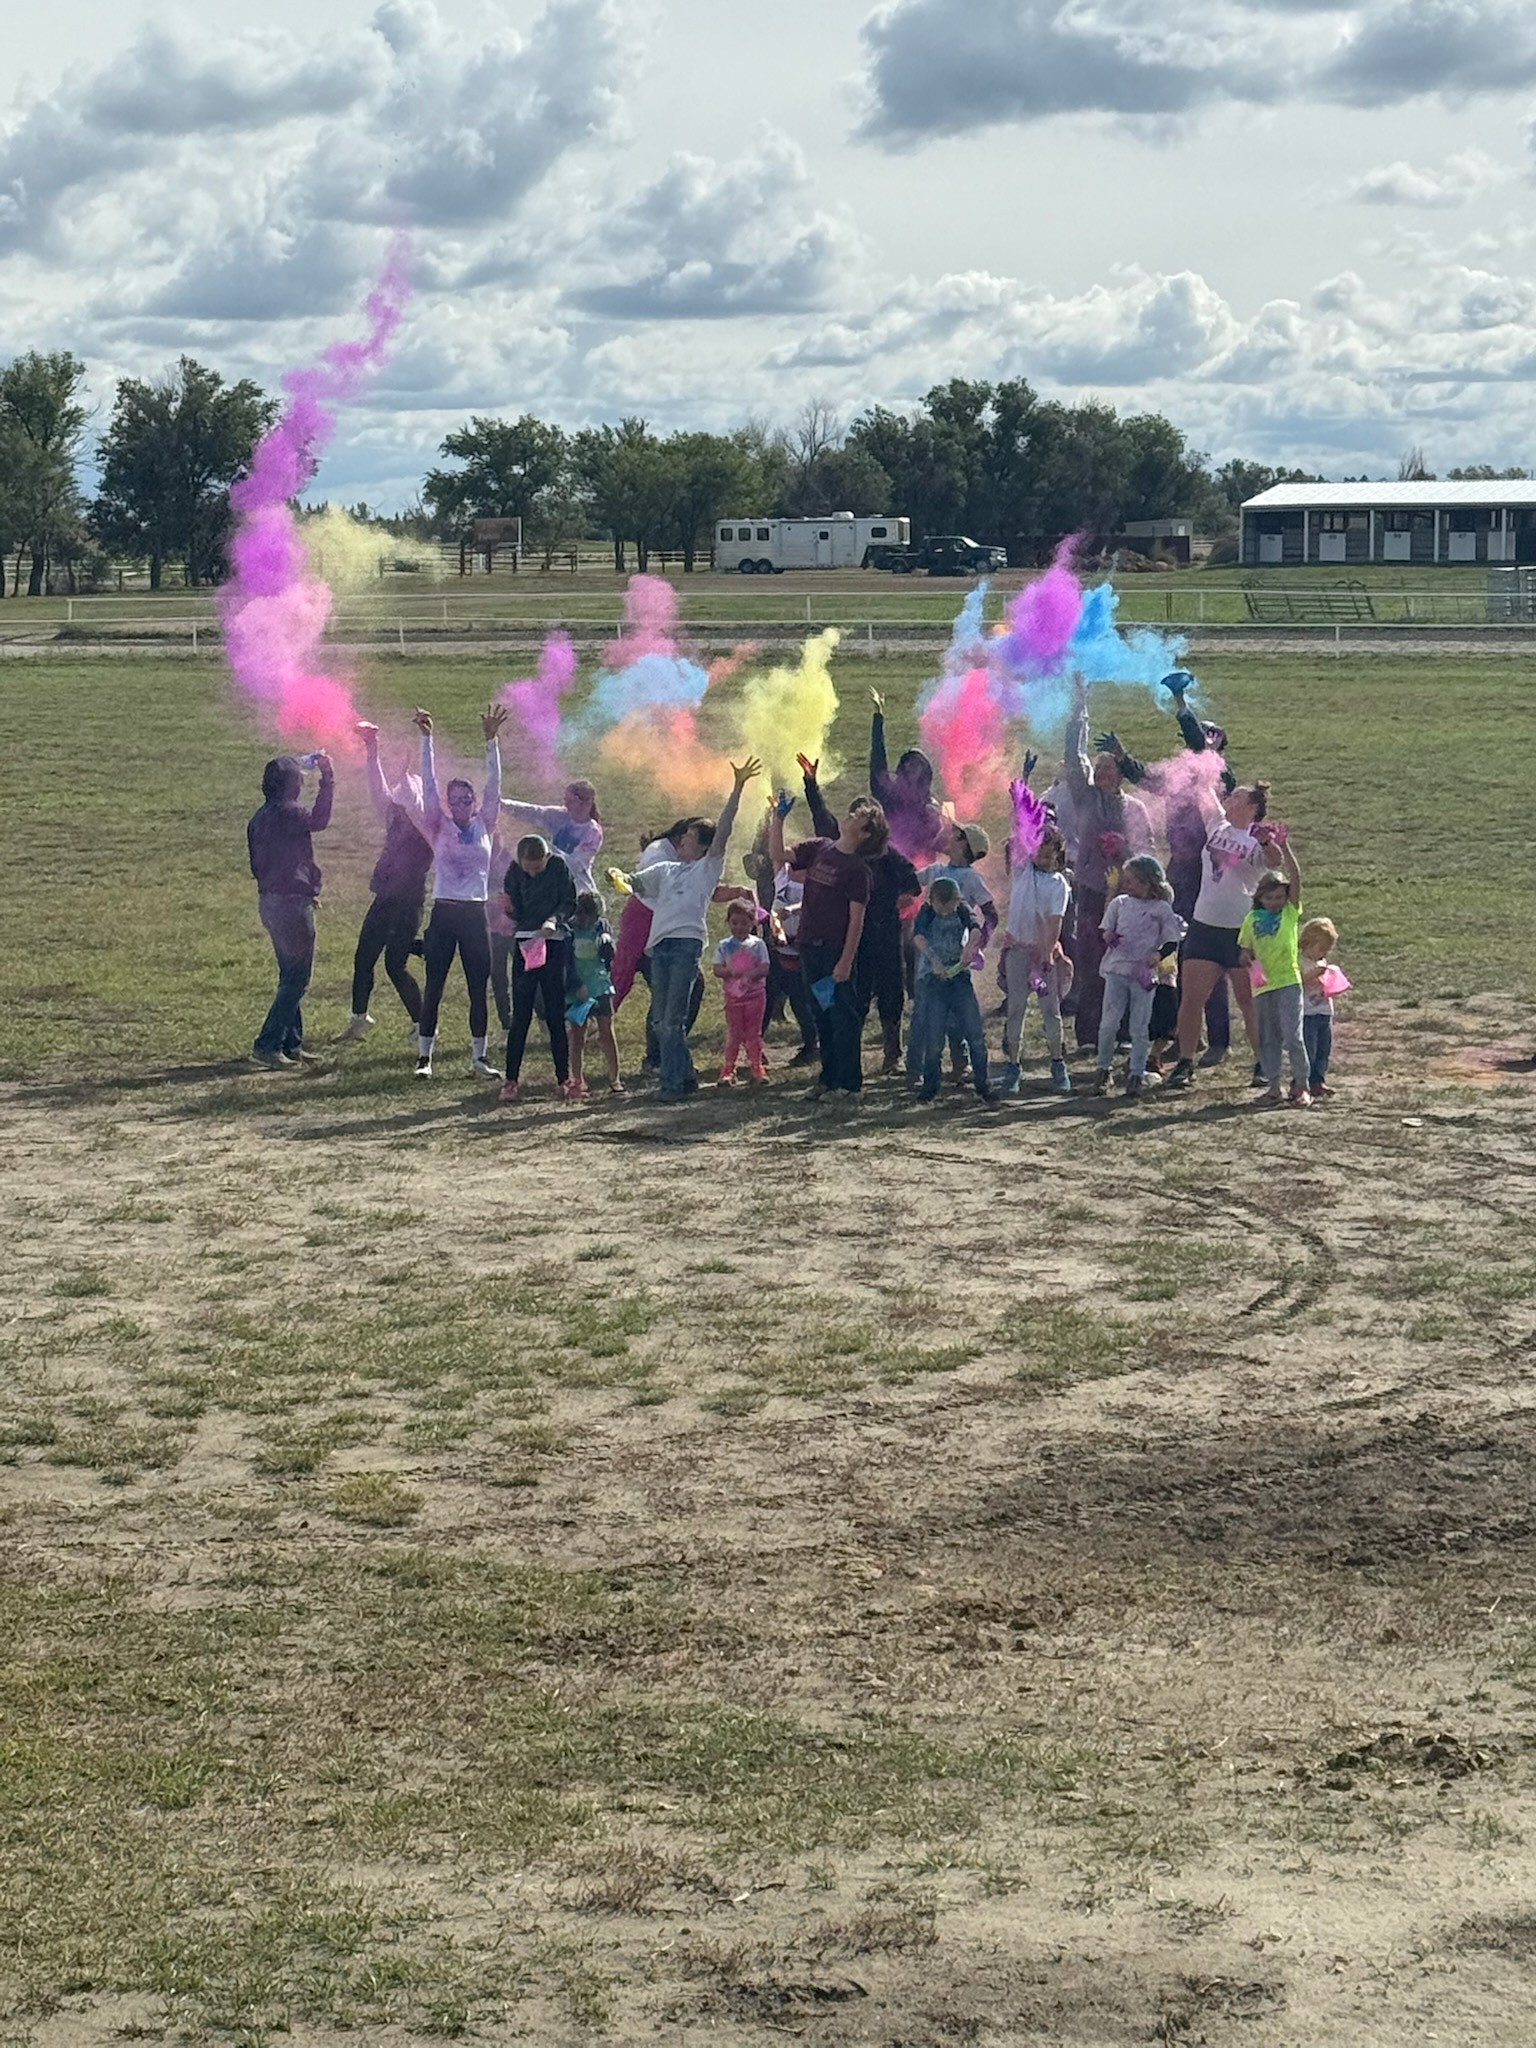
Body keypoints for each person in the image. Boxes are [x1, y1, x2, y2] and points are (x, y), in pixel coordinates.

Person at [1100, 671, 1235, 1066]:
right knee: (1177, 959)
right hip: (1180, 872)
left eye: (1206, 740)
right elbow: (1146, 777)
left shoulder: (1221, 778)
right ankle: (1179, 1034)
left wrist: (1179, 701)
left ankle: (1219, 1041)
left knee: (1209, 958)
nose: (1194, 748)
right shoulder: (1181, 784)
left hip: (1208, 876)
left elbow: (1197, 746)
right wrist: (1123, 759)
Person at [618, 758, 761, 1102]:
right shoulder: (666, 868)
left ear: (702, 848)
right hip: (660, 947)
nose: (681, 839)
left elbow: (723, 830)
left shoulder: (706, 869)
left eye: (690, 838)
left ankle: (671, 1084)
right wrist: (619, 878)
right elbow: (636, 884)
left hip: (685, 946)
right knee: (663, 1022)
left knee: (670, 1021)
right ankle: (685, 1077)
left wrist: (737, 787)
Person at [403, 705, 506, 1081]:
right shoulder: (438, 825)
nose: (461, 805)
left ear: (475, 802)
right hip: (444, 914)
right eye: (455, 800)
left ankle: (479, 1058)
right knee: (435, 985)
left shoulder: (486, 823)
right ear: (448, 804)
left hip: (475, 913)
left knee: (479, 985)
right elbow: (429, 784)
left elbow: (496, 785)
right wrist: (426, 737)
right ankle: (424, 1057)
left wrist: (491, 741)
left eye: (467, 799)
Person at [801, 754, 921, 1073]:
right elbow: (823, 819)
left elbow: (912, 883)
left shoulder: (888, 856)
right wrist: (811, 784)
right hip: (850, 935)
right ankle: (844, 1058)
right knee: (852, 997)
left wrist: (896, 904)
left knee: (891, 991)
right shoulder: (841, 850)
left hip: (884, 932)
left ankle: (892, 1052)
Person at [1164, 781, 1277, 1091]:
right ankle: (1185, 1063)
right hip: (1204, 926)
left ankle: (1263, 1064)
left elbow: (1275, 862)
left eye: (1237, 796)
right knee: (1191, 999)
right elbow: (1204, 787)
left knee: (1248, 1001)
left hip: (1240, 933)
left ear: (1252, 807)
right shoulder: (1217, 823)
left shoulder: (1256, 841)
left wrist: (1267, 842)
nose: (1230, 798)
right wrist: (1200, 756)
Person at [769, 794, 881, 1099]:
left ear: (866, 833)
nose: (850, 815)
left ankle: (849, 1083)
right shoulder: (821, 848)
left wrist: (845, 961)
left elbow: (856, 921)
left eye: (859, 816)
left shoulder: (857, 871)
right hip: (810, 947)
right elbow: (778, 853)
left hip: (834, 951)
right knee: (821, 1013)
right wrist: (777, 818)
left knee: (841, 1015)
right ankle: (828, 1079)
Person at [1063, 678, 1153, 1054]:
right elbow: (1073, 758)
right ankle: (1087, 1033)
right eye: (1098, 774)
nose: (1102, 778)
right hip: (1092, 888)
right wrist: (1079, 708)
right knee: (1090, 959)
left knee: (1124, 961)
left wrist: (1125, 848)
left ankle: (1122, 1032)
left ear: (1119, 777)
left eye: (1109, 773)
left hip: (1128, 895)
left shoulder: (1135, 808)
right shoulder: (1085, 798)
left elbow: (1148, 854)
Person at [340, 725, 432, 1042]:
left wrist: (406, 771)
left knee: (395, 965)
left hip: (408, 903)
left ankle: (423, 1024)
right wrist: (372, 747)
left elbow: (408, 797)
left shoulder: (424, 824)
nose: (395, 806)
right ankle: (359, 1018)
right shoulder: (394, 814)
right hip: (385, 898)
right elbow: (377, 786)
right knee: (363, 957)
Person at [246, 749, 333, 1068]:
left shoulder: (258, 817)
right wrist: (328, 780)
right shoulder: (290, 812)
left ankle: (291, 1043)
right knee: (297, 979)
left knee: (289, 975)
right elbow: (320, 820)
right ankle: (267, 1045)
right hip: (291, 904)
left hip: (269, 901)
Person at [1094, 855, 1185, 1103]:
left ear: (1147, 882)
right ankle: (1103, 1068)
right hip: (1117, 969)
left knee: (1140, 1025)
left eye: (1133, 881)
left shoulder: (1161, 909)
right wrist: (1108, 937)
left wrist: (1157, 955)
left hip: (1144, 973)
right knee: (1109, 1023)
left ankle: (1136, 1072)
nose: (1127, 885)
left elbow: (1172, 939)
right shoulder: (1120, 903)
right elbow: (1105, 928)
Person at [914, 821, 997, 1083]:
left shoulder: (972, 878)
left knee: (954, 1014)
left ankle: (960, 1064)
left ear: (964, 844)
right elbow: (909, 881)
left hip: (955, 960)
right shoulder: (936, 870)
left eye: (955, 835)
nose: (948, 836)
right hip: (929, 958)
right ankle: (920, 1069)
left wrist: (977, 944)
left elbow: (991, 914)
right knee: (925, 1011)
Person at [498, 834, 579, 1101]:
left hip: (553, 943)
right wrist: (510, 910)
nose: (533, 872)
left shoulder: (558, 868)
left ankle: (563, 1078)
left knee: (555, 1011)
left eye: (537, 867)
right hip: (526, 944)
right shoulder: (513, 873)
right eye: (528, 868)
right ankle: (510, 1080)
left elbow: (569, 901)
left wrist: (553, 920)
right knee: (521, 1014)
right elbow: (518, 912)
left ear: (546, 858)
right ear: (520, 862)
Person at [1000, 825, 1073, 1097]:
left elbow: (1054, 922)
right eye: (1037, 853)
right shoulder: (1022, 871)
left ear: (1057, 855)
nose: (1041, 860)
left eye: (1047, 855)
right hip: (1017, 950)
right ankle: (1013, 1065)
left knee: (1050, 1010)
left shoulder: (1058, 885)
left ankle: (1057, 1062)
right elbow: (1014, 841)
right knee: (1015, 1008)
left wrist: (1046, 954)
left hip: (1043, 956)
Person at [1239, 838, 1311, 1108]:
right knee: (1268, 1037)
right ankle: (1273, 1087)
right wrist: (1246, 956)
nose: (1274, 902)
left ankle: (1301, 1085)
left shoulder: (1290, 912)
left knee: (1293, 1035)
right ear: (1260, 898)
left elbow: (1296, 877)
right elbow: (1244, 948)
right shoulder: (1251, 920)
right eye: (1269, 897)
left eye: (1279, 897)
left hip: (1288, 981)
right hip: (1262, 986)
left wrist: (1286, 847)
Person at [911, 876, 995, 1105]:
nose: (946, 912)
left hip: (959, 980)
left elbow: (976, 929)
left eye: (950, 907)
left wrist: (969, 948)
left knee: (975, 1035)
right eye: (941, 907)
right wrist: (933, 960)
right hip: (933, 982)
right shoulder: (926, 912)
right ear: (932, 901)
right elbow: (918, 937)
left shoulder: (962, 910)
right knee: (934, 1039)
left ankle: (983, 1084)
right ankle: (930, 1086)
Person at [869, 690, 948, 862]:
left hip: (920, 868)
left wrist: (938, 819)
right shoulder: (890, 794)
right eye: (908, 763)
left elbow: (941, 843)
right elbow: (878, 762)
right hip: (889, 860)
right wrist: (878, 717)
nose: (912, 767)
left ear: (925, 772)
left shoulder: (929, 803)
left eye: (918, 764)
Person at [566, 891, 624, 1099]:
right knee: (577, 1034)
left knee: (606, 1030)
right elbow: (567, 962)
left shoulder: (601, 927)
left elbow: (610, 955)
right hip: (578, 989)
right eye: (583, 916)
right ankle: (577, 1079)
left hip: (599, 985)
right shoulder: (570, 931)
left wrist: (608, 945)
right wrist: (575, 985)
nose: (586, 921)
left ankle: (615, 1078)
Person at [500, 780, 603, 894]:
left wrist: (547, 850)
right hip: (553, 887)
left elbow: (574, 864)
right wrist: (503, 805)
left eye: (571, 801)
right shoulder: (561, 816)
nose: (566, 805)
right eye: (565, 800)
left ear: (586, 804)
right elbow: (535, 812)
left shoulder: (592, 832)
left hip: (578, 890)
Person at [712, 897, 771, 1084]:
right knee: (734, 1033)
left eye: (744, 923)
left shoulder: (757, 944)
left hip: (755, 996)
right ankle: (728, 1069)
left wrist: (751, 975)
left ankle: (756, 1067)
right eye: (734, 923)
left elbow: (765, 967)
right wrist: (729, 971)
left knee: (754, 1032)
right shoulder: (724, 946)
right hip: (734, 997)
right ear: (728, 922)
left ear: (752, 923)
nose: (738, 927)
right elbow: (716, 969)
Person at [1300, 916, 1342, 1098]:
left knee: (1323, 1048)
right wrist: (1314, 975)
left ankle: (1318, 1080)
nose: (1324, 953)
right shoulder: (1300, 961)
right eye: (1322, 948)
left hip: (1323, 1010)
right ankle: (1302, 1081)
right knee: (1309, 1048)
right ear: (1308, 943)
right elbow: (1299, 982)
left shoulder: (1322, 962)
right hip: (1307, 1012)